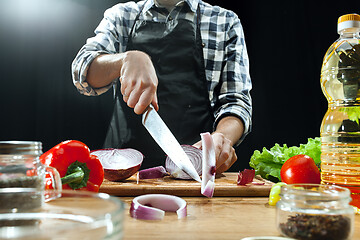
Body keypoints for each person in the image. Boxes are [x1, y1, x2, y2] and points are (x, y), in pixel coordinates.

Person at [72, 0, 252, 174]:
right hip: (124, 176)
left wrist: (222, 138)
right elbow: (82, 71)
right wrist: (126, 59)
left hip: (194, 171)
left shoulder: (224, 21)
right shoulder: (122, 16)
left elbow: (236, 102)